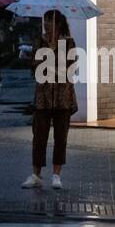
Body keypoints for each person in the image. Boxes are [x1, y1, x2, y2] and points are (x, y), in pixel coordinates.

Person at [22, 10, 77, 190]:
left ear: (58, 23)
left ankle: (56, 174)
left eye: (49, 21)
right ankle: (36, 174)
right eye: (44, 21)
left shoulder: (68, 43)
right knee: (39, 137)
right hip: (43, 98)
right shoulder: (40, 42)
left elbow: (71, 68)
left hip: (63, 99)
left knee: (60, 137)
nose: (46, 24)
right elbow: (34, 67)